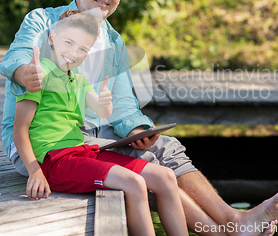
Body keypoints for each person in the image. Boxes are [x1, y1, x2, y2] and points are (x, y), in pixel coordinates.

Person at [0, 0, 278, 236]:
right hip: (48, 142)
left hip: (94, 132)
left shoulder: (114, 41)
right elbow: (17, 58)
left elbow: (123, 101)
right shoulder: (44, 21)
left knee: (167, 147)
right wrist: (29, 73)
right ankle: (228, 231)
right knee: (149, 165)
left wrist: (139, 129)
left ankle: (233, 220)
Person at [13, 13, 188, 236]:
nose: (73, 54)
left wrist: (105, 100)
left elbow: (102, 110)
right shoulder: (39, 74)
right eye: (68, 43)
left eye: (83, 49)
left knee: (165, 176)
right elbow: (19, 131)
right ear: (52, 37)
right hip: (55, 161)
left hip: (82, 152)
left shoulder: (78, 80)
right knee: (134, 183)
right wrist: (35, 172)